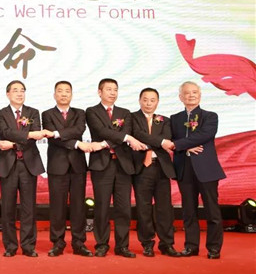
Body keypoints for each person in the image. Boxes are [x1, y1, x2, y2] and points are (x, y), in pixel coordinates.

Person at [163, 81, 226, 259]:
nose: (191, 95)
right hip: (184, 169)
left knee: (212, 211)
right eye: (187, 93)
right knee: (188, 211)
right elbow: (169, 139)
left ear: (199, 95)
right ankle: (191, 246)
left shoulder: (210, 116)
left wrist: (179, 145)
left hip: (207, 169)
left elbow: (205, 135)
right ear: (180, 97)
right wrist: (185, 147)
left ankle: (214, 248)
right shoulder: (174, 118)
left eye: (194, 92)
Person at [85, 78, 147, 258]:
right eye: (109, 89)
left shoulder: (125, 113)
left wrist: (109, 142)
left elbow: (124, 132)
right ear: (100, 92)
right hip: (101, 165)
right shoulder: (92, 111)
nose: (113, 93)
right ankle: (101, 244)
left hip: (122, 165)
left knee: (123, 208)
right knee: (102, 207)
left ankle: (122, 246)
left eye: (115, 89)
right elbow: (101, 131)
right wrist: (126, 138)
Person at [0, 80, 45, 257]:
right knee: (8, 207)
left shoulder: (33, 112)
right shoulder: (0, 114)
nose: (19, 93)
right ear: (8, 94)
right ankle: (10, 246)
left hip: (29, 164)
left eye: (22, 90)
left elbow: (36, 134)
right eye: (15, 90)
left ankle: (29, 245)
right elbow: (5, 132)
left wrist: (15, 143)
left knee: (29, 207)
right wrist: (27, 134)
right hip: (8, 164)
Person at [42, 81, 94, 257]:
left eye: (67, 91)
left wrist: (58, 133)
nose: (63, 94)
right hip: (57, 166)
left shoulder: (80, 113)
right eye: (60, 91)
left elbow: (78, 130)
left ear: (71, 94)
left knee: (79, 206)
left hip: (77, 165)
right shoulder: (47, 114)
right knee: (57, 206)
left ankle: (79, 243)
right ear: (54, 94)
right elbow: (52, 138)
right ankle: (57, 243)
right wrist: (77, 143)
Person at [130, 88, 181, 257]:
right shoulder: (132, 118)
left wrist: (152, 142)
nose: (148, 103)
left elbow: (167, 137)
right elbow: (137, 134)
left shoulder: (165, 120)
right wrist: (160, 142)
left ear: (157, 102)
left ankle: (167, 244)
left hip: (161, 168)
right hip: (142, 168)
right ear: (140, 100)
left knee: (164, 208)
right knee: (143, 208)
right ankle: (147, 243)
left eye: (152, 100)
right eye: (145, 100)